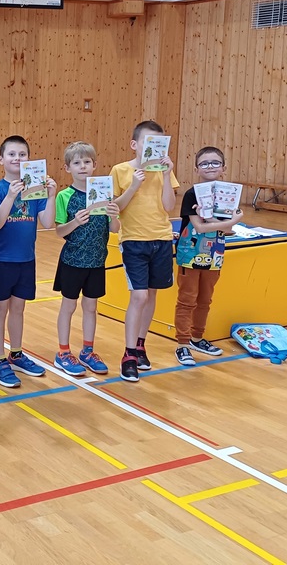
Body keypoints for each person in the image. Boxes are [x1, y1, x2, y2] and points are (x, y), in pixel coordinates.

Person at [0, 136, 56, 388]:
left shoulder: (35, 188)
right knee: (0, 310)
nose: (17, 158)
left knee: (18, 309)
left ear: (29, 159)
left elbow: (47, 222)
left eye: (22, 154)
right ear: (1, 159)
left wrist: (51, 195)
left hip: (26, 260)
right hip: (1, 260)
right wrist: (10, 197)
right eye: (12, 154)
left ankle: (15, 354)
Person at [111, 120, 178, 382]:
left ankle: (140, 345)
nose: (154, 147)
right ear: (134, 144)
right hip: (133, 241)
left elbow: (169, 206)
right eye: (148, 142)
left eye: (159, 143)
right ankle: (128, 354)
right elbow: (115, 206)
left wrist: (165, 175)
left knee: (151, 295)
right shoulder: (121, 170)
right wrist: (134, 185)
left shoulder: (164, 171)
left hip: (161, 239)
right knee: (138, 296)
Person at [52, 142, 120, 376]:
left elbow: (114, 229)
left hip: (97, 261)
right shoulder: (65, 196)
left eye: (87, 162)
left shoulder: (104, 193)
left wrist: (114, 215)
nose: (82, 166)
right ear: (67, 167)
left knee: (91, 307)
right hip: (72, 261)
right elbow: (59, 231)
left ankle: (88, 351)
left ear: (94, 165)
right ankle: (63, 352)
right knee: (68, 306)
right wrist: (76, 222)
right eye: (77, 163)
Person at [173, 146, 244, 365]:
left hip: (215, 253)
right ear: (196, 169)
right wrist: (233, 221)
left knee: (205, 299)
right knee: (187, 299)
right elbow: (199, 227)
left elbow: (225, 229)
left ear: (224, 167)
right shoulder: (191, 194)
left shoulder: (228, 195)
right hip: (190, 253)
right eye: (204, 163)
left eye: (215, 163)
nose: (210, 167)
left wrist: (225, 223)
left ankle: (197, 338)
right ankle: (182, 344)